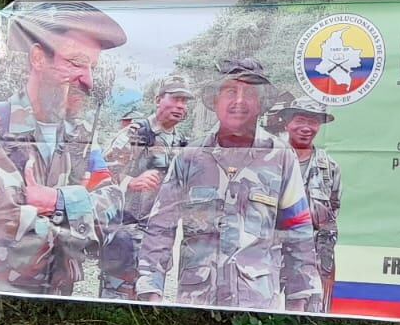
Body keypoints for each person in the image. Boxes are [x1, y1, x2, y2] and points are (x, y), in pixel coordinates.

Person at [0, 2, 125, 296]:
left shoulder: (80, 135)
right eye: (76, 63)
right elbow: (4, 230)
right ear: (38, 58)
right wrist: (82, 221)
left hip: (59, 298)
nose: (88, 80)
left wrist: (58, 201)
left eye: (92, 67)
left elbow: (113, 204)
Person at [134, 59, 322, 310]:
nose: (239, 101)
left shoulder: (281, 157)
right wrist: (151, 290)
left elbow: (298, 234)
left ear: (261, 103)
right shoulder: (190, 157)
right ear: (216, 101)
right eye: (230, 91)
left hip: (256, 310)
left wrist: (299, 302)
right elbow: (160, 227)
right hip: (196, 305)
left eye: (250, 93)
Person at [97, 75, 194, 299]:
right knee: (117, 302)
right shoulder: (135, 134)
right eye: (175, 98)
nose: (180, 106)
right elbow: (99, 177)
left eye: (184, 101)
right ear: (158, 100)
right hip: (126, 237)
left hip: (157, 242)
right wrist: (130, 182)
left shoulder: (182, 143)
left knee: (149, 302)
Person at [270, 98, 341, 313]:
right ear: (286, 123)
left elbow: (333, 213)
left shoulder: (329, 168)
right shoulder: (268, 161)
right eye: (300, 120)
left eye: (313, 122)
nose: (306, 127)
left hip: (313, 263)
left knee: (309, 319)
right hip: (271, 258)